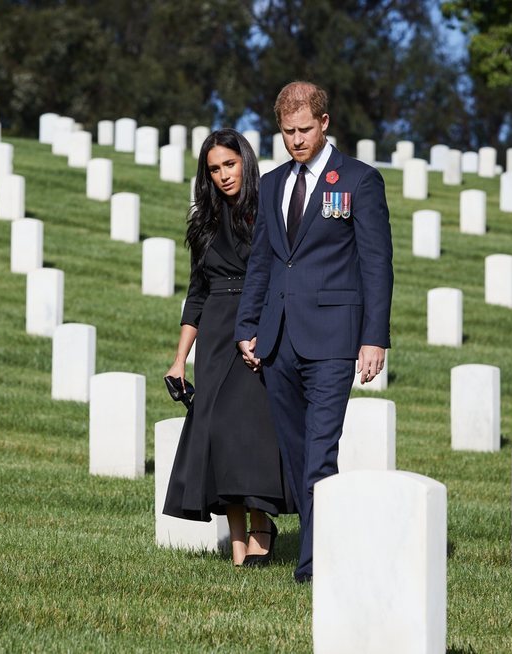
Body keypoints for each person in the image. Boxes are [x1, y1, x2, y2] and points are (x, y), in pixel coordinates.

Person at [234, 81, 393, 583]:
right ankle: (329, 545)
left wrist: (375, 337)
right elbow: (261, 260)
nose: (297, 140)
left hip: (332, 340)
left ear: (325, 123)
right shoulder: (275, 182)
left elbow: (376, 263)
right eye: (287, 132)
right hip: (277, 339)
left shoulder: (360, 181)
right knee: (298, 454)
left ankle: (314, 567)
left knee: (320, 453)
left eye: (305, 129)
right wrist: (248, 325)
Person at [163, 128, 294, 567]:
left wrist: (264, 327)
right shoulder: (203, 222)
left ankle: (262, 524)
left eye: (229, 164)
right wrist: (180, 358)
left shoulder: (268, 211)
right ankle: (238, 546)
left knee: (248, 432)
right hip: (216, 332)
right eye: (214, 168)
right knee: (218, 433)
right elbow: (196, 293)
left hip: (255, 323)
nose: (222, 175)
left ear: (246, 162)